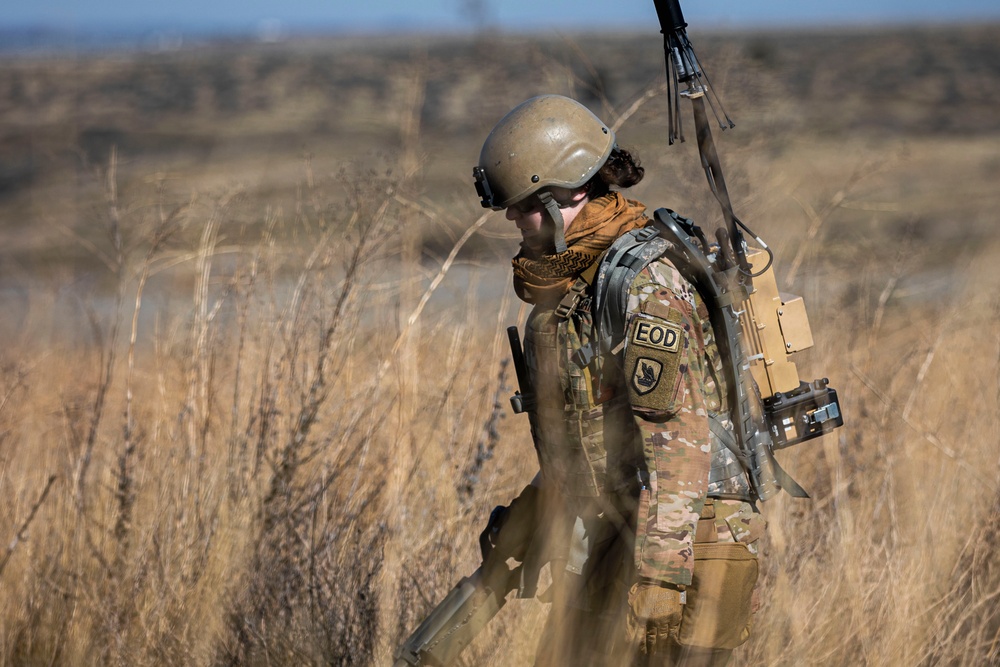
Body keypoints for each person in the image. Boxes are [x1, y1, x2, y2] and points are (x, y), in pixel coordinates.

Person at [473, 94, 766, 666]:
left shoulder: (643, 283)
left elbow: (679, 443)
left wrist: (661, 579)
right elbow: (592, 425)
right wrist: (536, 509)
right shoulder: (577, 279)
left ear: (567, 196)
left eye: (522, 205)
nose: (511, 218)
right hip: (620, 521)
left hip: (687, 535)